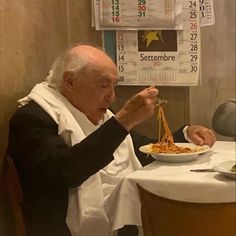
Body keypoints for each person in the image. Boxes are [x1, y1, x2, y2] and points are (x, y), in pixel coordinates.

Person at [7, 43, 216, 236]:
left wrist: (186, 134)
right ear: (70, 81)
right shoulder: (33, 118)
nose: (112, 97)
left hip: (122, 215)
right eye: (104, 85)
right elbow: (65, 171)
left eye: (113, 85)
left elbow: (140, 148)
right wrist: (124, 120)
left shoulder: (98, 111)